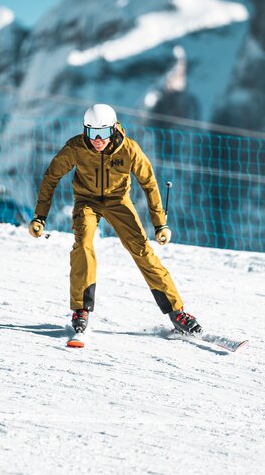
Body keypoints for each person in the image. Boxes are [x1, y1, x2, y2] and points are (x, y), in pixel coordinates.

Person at [29, 103, 202, 336]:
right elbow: (51, 177)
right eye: (92, 132)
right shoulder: (76, 147)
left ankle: (177, 312)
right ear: (85, 130)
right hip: (86, 201)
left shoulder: (129, 149)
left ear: (113, 129)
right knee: (83, 245)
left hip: (119, 201)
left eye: (102, 132)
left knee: (142, 250)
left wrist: (160, 223)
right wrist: (40, 216)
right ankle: (81, 309)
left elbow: (149, 183)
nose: (97, 140)